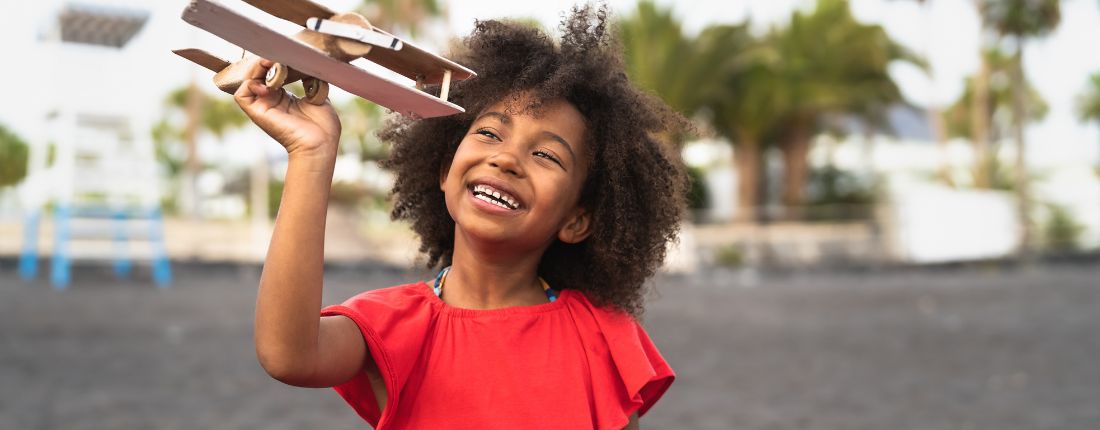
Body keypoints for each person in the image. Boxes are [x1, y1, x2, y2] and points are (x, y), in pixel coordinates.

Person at [234, 5, 687, 429]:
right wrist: (311, 153)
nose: (506, 159)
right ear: (445, 171)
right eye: (489, 133)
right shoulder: (391, 326)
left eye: (546, 155)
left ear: (577, 220)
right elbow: (287, 356)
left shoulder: (602, 336)